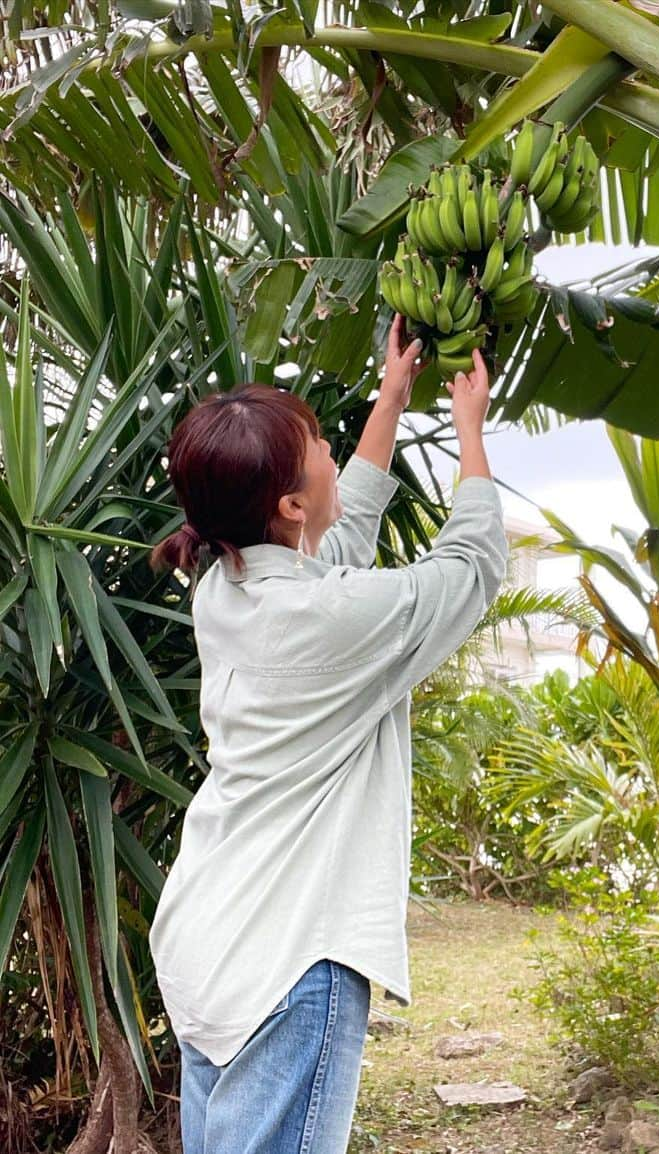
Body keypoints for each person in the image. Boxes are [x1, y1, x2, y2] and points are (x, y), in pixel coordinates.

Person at [147, 317, 508, 1154]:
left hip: (213, 943)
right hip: (288, 961)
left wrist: (391, 399)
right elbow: (471, 568)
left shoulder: (223, 582)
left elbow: (336, 542)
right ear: (287, 503)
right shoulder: (319, 618)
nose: (324, 446)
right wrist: (470, 437)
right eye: (315, 442)